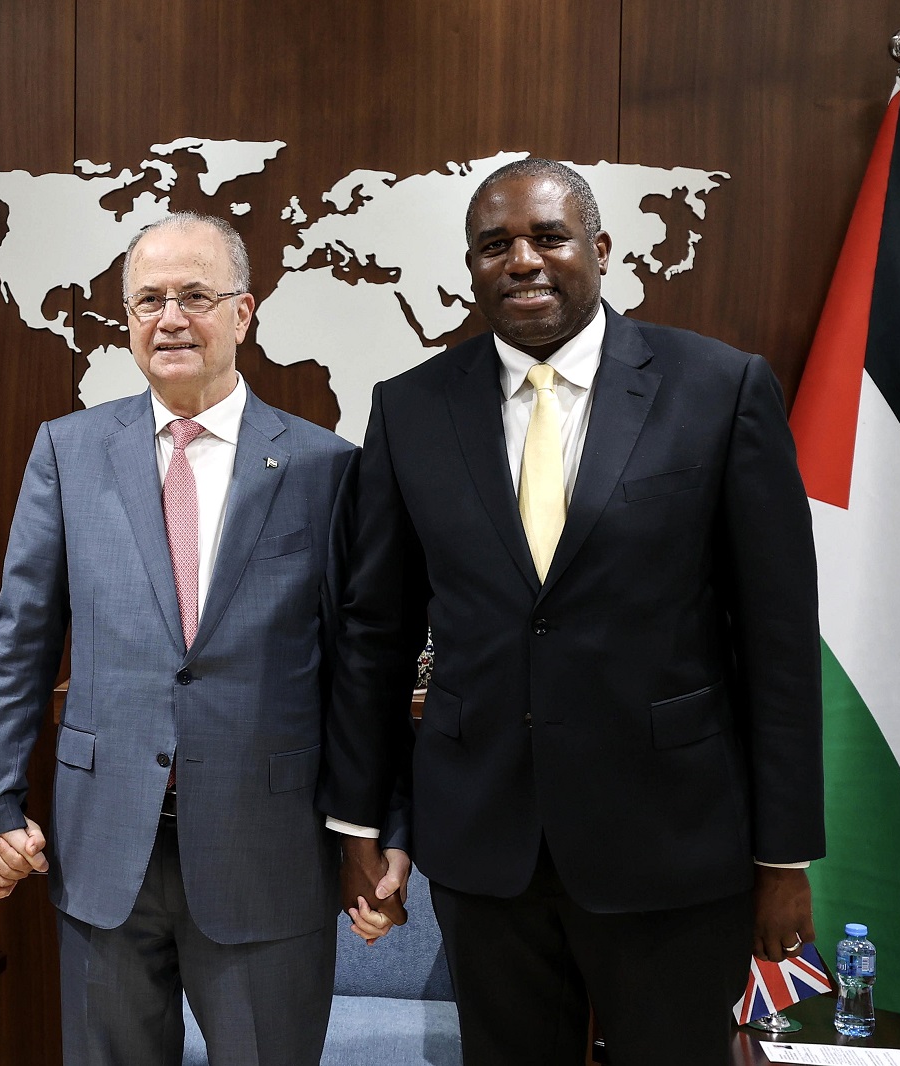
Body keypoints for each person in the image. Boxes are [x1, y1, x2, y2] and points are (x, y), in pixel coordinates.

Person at [320, 159, 824, 1066]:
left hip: (673, 843)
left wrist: (783, 857)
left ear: (599, 248)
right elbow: (376, 636)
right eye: (494, 245)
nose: (523, 260)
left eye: (548, 237)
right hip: (487, 849)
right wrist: (361, 824)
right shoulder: (410, 410)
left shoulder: (720, 388)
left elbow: (779, 642)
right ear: (470, 268)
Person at [0, 213, 356, 1066]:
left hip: (268, 852)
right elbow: (20, 641)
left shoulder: (326, 468)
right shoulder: (69, 451)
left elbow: (360, 672)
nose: (170, 318)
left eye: (196, 296)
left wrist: (374, 831)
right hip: (107, 853)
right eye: (148, 300)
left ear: (244, 313)